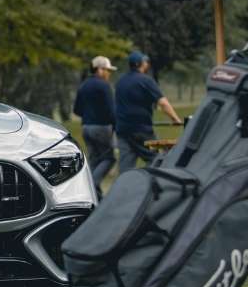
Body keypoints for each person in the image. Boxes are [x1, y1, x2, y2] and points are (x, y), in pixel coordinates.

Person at [114, 50, 183, 174]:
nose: (147, 63)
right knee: (155, 161)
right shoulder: (146, 80)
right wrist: (175, 119)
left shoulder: (120, 81)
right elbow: (163, 103)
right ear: (140, 63)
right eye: (145, 61)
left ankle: (123, 190)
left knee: (125, 167)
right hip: (141, 129)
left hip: (122, 130)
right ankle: (153, 187)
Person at [73, 56, 117, 189]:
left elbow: (76, 110)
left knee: (94, 160)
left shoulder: (84, 85)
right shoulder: (104, 85)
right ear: (99, 69)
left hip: (86, 127)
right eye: (107, 70)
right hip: (102, 128)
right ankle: (92, 184)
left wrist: (89, 115)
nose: (109, 73)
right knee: (109, 158)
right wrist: (115, 126)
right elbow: (111, 110)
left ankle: (94, 196)